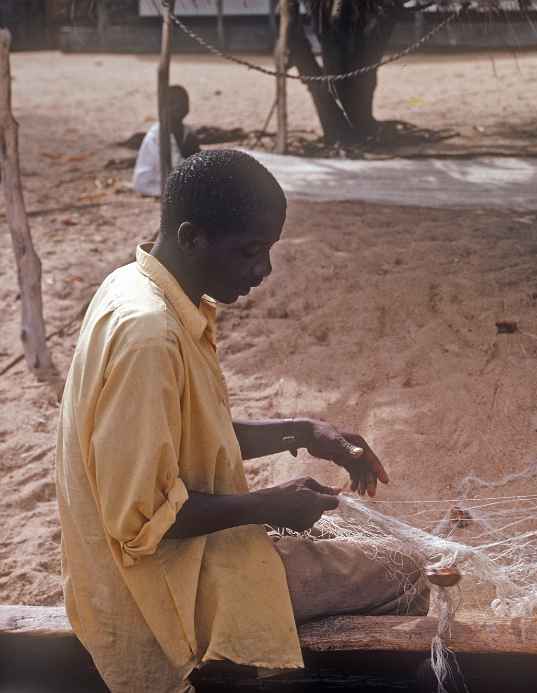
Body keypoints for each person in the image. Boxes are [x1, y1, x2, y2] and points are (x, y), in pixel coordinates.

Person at [56, 150, 428, 693]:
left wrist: (302, 432)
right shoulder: (150, 336)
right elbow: (140, 523)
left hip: (166, 560)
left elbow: (181, 437)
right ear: (192, 237)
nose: (264, 270)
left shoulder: (135, 286)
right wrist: (266, 506)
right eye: (251, 251)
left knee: (359, 540)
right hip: (158, 589)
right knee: (406, 573)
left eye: (269, 250)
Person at [133, 84, 200, 197]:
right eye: (174, 103)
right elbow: (142, 181)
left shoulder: (187, 133)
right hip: (153, 184)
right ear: (165, 107)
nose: (180, 107)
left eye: (184, 103)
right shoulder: (157, 135)